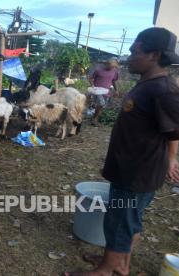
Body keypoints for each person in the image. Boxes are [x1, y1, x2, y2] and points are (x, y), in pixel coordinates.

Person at [64, 27, 179, 276]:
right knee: (129, 220)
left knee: (119, 221)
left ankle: (105, 270)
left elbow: (175, 130)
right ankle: (120, 265)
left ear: (154, 54)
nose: (129, 54)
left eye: (136, 50)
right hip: (131, 167)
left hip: (138, 171)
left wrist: (171, 159)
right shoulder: (148, 84)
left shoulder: (164, 90)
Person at [88, 57, 119, 125]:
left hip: (106, 92)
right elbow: (90, 78)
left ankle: (94, 118)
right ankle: (94, 119)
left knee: (102, 106)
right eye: (110, 65)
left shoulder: (114, 72)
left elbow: (113, 81)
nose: (111, 67)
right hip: (97, 91)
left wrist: (116, 90)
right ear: (106, 64)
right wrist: (93, 86)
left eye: (113, 66)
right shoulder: (98, 70)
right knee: (101, 103)